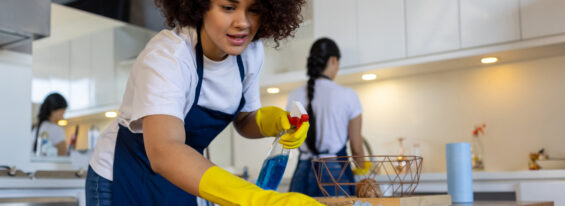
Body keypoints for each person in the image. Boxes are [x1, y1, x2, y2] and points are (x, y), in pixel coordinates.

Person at [85, 0, 323, 205]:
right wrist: (255, 199)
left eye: (255, 9)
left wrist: (274, 121)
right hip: (124, 175)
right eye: (228, 7)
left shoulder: (250, 53)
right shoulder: (168, 57)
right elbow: (164, 150)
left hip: (183, 174)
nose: (243, 22)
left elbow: (244, 119)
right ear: (201, 6)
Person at [286, 38, 367, 196]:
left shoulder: (294, 96)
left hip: (302, 169)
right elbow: (357, 146)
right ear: (333, 60)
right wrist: (365, 172)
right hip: (335, 171)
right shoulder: (348, 95)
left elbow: (291, 137)